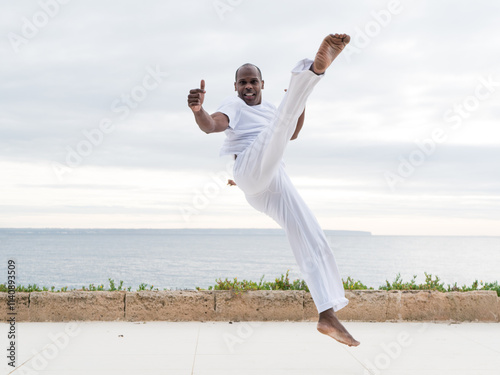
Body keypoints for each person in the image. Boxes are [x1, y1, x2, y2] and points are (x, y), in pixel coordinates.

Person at [187, 34, 360, 347]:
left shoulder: (271, 112)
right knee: (280, 121)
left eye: (253, 82)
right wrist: (199, 110)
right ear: (236, 87)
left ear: (262, 84)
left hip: (273, 179)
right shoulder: (232, 107)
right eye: (242, 83)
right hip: (250, 173)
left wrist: (299, 103)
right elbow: (212, 125)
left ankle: (327, 314)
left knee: (311, 234)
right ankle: (312, 72)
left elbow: (290, 132)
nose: (248, 87)